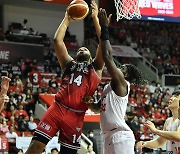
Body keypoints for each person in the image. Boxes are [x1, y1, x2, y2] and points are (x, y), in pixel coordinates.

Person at [25, 1, 104, 154]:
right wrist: (67, 18)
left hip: (76, 115)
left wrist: (95, 18)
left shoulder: (96, 67)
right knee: (35, 147)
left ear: (90, 56)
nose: (82, 48)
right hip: (57, 108)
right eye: (80, 49)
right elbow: (57, 41)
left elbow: (103, 43)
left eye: (85, 48)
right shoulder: (68, 64)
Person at [89, 9, 145, 154]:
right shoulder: (110, 87)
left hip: (120, 135)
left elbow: (107, 56)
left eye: (122, 68)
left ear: (126, 75)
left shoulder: (122, 83)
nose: (119, 68)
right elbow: (97, 109)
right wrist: (89, 102)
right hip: (109, 136)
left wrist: (104, 27)